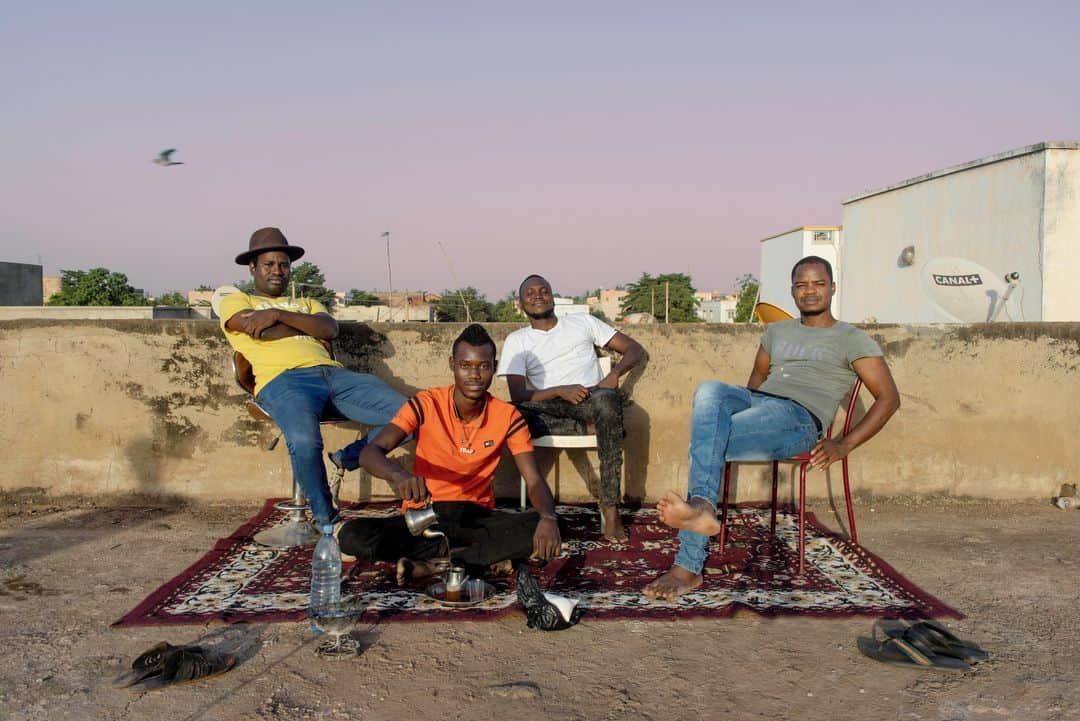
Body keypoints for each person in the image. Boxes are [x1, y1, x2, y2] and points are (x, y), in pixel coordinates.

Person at [643, 256, 901, 599]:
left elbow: (889, 398)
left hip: (798, 418)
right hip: (759, 403)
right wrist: (742, 411)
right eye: (801, 285)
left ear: (833, 288)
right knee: (709, 390)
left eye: (818, 284)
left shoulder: (852, 338)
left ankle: (688, 564)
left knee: (706, 441)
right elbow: (756, 380)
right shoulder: (776, 332)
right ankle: (702, 509)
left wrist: (843, 444)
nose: (810, 291)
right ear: (792, 291)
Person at [337, 324, 562, 582]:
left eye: (483, 366)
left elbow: (533, 479)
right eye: (465, 365)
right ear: (452, 364)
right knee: (352, 536)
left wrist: (547, 516)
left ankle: (435, 566)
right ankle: (475, 561)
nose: (474, 375)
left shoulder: (508, 416)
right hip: (426, 517)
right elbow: (370, 452)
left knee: (550, 526)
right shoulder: (425, 404)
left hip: (475, 518)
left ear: (494, 366)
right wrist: (398, 475)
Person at [219, 227, 407, 527]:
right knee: (305, 440)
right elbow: (260, 331)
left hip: (333, 376)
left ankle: (350, 456)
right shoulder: (237, 301)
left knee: (413, 414)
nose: (277, 271)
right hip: (283, 381)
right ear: (252, 267)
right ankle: (327, 521)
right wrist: (304, 327)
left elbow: (329, 329)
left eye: (283, 265)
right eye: (269, 264)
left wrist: (279, 315)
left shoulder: (307, 303)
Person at [496, 275, 647, 542]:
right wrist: (558, 390)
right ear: (520, 304)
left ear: (553, 297)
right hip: (544, 407)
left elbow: (634, 349)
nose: (538, 295)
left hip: (589, 400)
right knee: (509, 414)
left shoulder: (582, 322)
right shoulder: (517, 340)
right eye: (530, 293)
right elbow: (519, 394)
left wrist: (615, 375)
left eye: (544, 290)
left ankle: (611, 509)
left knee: (607, 401)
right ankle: (587, 428)